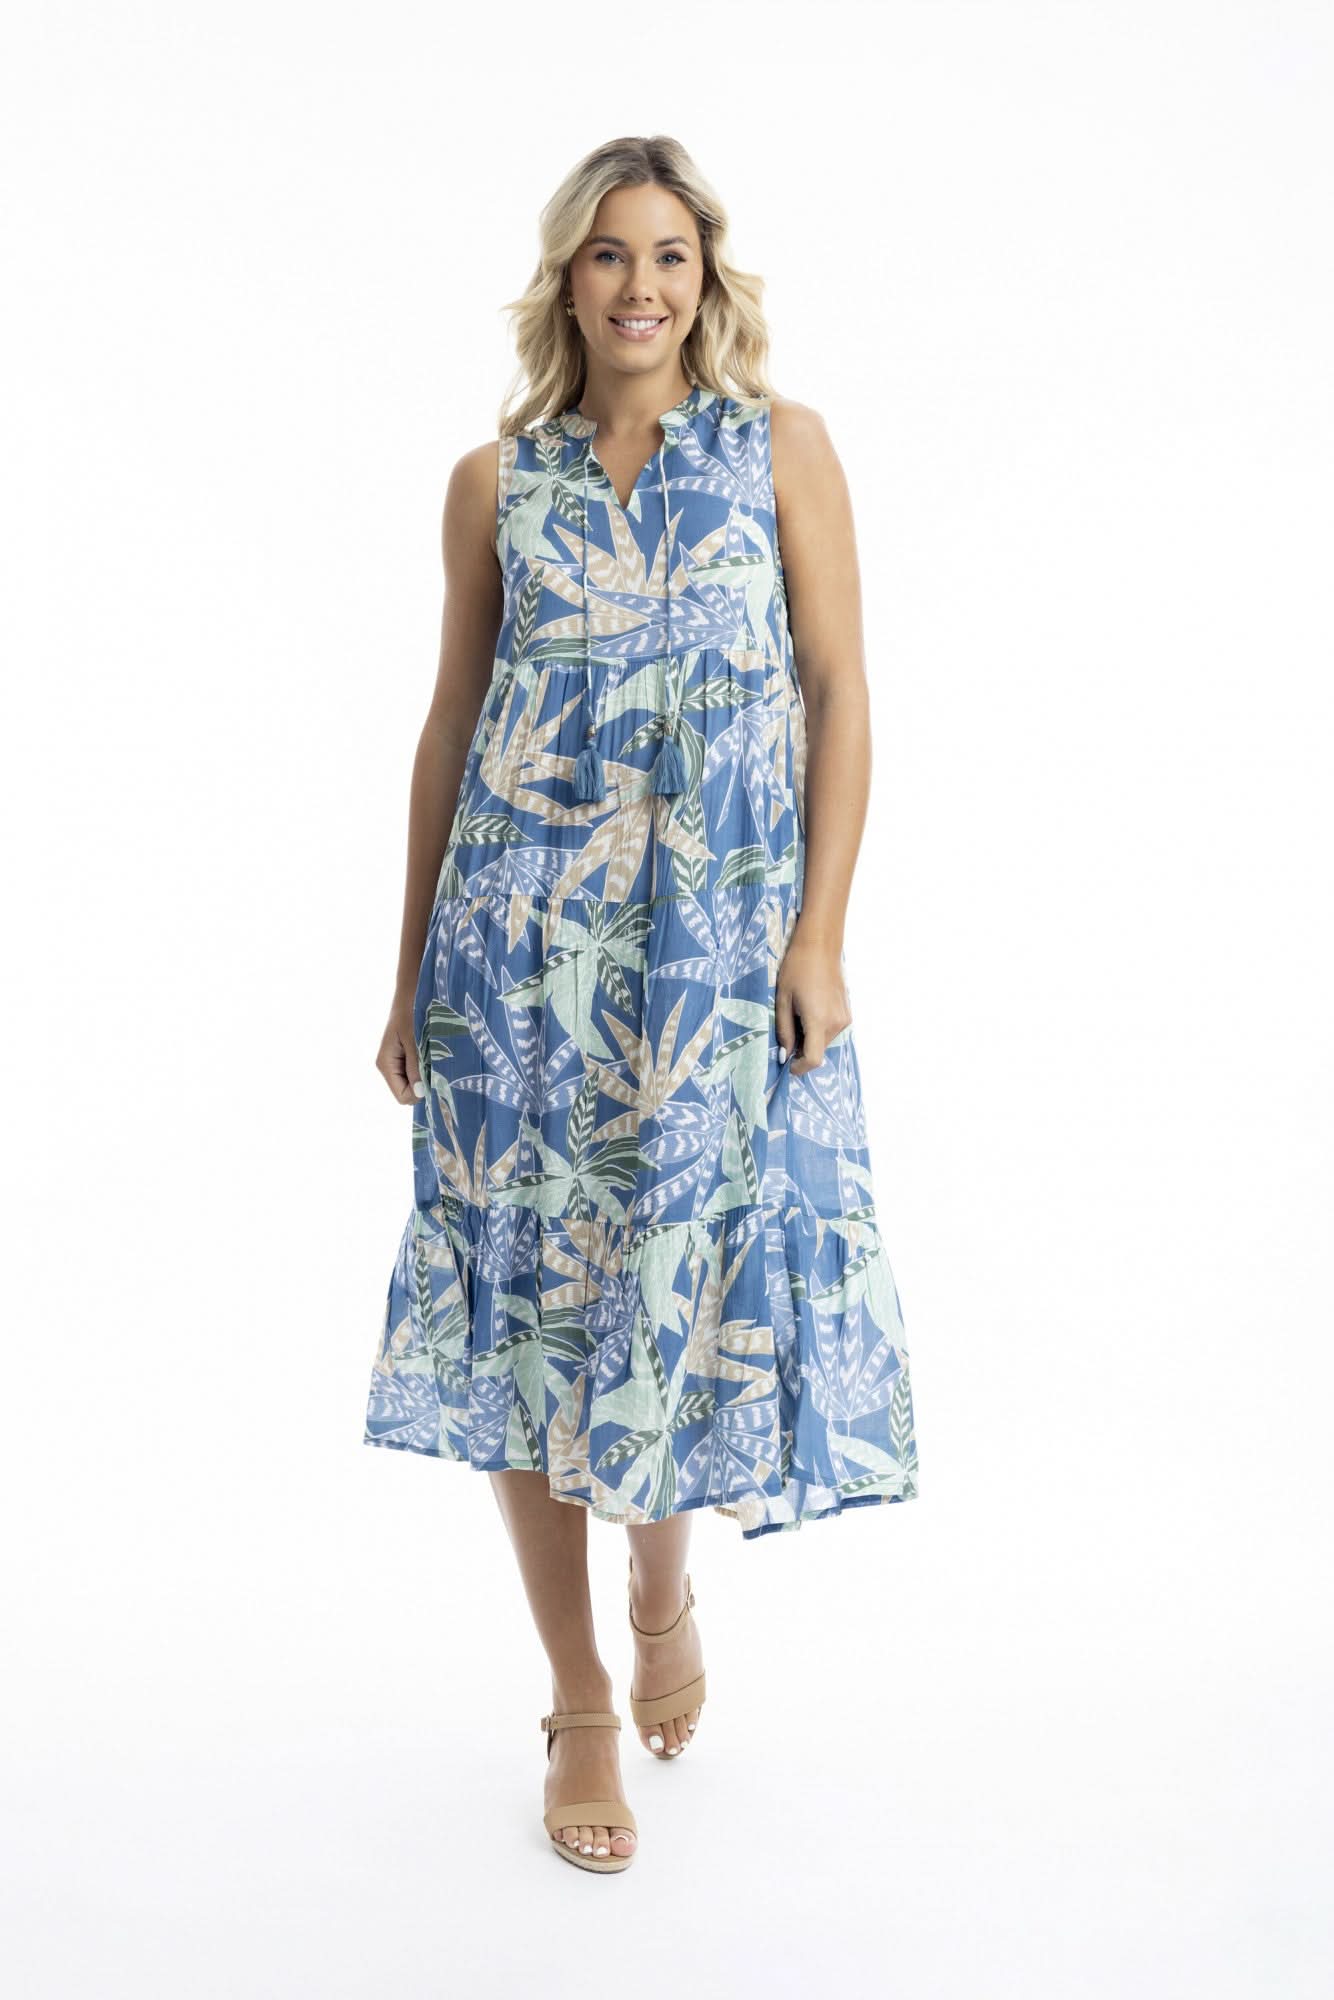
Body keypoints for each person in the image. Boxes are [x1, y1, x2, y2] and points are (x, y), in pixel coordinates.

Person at [362, 134, 919, 1875]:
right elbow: (451, 731)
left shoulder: (780, 452)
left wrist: (816, 937)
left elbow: (838, 691)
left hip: (707, 961)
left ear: (707, 276)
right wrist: (404, 973)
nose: (638, 287)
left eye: (668, 255)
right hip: (511, 972)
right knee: (528, 1317)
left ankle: (663, 1588)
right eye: (608, 256)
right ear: (567, 280)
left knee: (681, 1287)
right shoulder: (494, 480)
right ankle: (578, 1692)